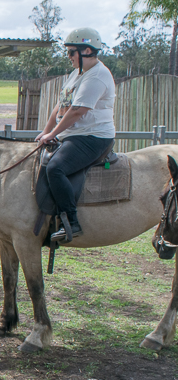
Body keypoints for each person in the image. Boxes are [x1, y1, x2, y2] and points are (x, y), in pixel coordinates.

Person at [36, 27, 116, 242]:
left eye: (71, 52)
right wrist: (46, 132)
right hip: (73, 135)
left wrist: (53, 133)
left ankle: (71, 221)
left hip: (93, 137)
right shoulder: (77, 73)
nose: (69, 57)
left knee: (56, 168)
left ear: (87, 51)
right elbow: (61, 106)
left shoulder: (97, 76)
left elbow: (78, 111)